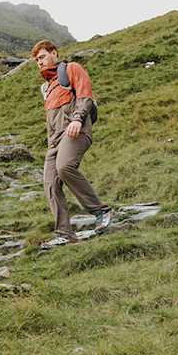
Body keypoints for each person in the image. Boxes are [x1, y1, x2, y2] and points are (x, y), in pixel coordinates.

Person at [31, 40, 113, 241]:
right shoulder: (46, 88)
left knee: (65, 167)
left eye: (42, 57)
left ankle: (101, 211)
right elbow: (51, 120)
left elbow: (85, 95)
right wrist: (50, 143)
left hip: (76, 130)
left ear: (54, 53)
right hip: (55, 141)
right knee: (50, 183)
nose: (39, 62)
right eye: (36, 60)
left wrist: (77, 119)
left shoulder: (71, 69)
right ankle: (65, 233)